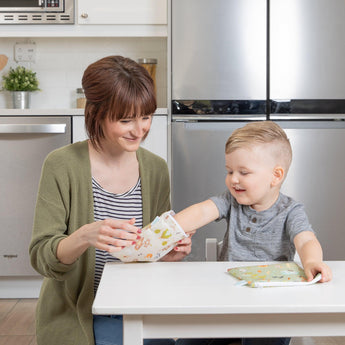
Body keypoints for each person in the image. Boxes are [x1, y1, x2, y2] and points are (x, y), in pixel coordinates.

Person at [29, 55, 192, 345]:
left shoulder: (155, 169)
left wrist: (169, 252)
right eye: (126, 120)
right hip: (81, 312)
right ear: (96, 114)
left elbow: (149, 252)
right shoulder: (61, 165)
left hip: (137, 308)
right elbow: (42, 256)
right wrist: (84, 236)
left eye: (146, 116)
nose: (139, 129)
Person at [174, 121, 332, 345]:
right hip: (225, 301)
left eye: (243, 172)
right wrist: (169, 228)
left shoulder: (290, 211)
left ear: (275, 176)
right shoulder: (231, 201)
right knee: (187, 342)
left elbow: (306, 239)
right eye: (229, 171)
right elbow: (201, 211)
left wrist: (313, 262)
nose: (233, 179)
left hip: (271, 305)